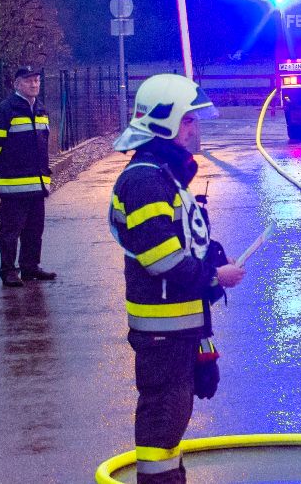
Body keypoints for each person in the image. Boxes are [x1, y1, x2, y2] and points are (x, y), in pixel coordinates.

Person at [108, 74, 246, 483]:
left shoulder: (164, 176)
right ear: (164, 123)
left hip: (177, 330)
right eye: (188, 120)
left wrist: (211, 257)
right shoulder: (146, 180)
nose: (195, 128)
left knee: (173, 418)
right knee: (162, 422)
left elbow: (182, 242)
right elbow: (163, 260)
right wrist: (215, 276)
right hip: (162, 333)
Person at [0, 66, 56, 287]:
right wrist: (9, 166)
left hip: (37, 185)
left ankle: (30, 267)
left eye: (37, 80)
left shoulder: (40, 109)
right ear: (17, 84)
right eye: (29, 80)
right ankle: (8, 271)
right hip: (14, 186)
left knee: (34, 230)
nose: (34, 84)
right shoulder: (5, 110)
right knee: (10, 231)